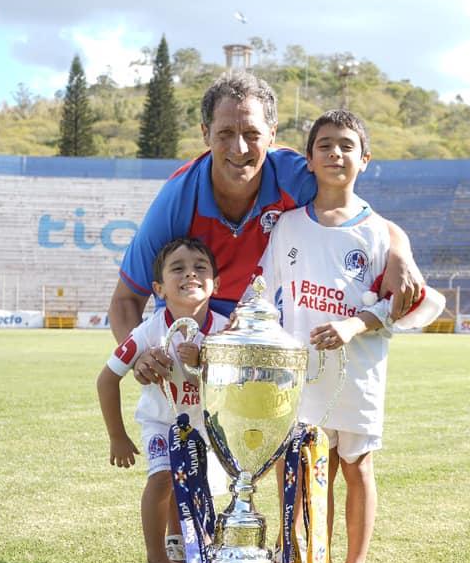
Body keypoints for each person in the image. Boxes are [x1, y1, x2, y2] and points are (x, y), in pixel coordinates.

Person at [108, 73, 423, 383]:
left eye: (252, 134)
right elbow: (126, 300)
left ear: (272, 134)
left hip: (268, 335)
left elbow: (350, 209)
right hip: (191, 344)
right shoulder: (177, 199)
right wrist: (139, 355)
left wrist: (397, 247)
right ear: (205, 133)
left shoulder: (293, 177)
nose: (240, 147)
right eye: (225, 133)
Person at [253, 109, 420, 563]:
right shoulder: (286, 227)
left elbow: (407, 305)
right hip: (301, 375)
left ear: (365, 160)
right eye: (325, 145)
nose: (336, 153)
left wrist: (356, 323)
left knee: (357, 466)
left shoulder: (382, 234)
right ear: (309, 158)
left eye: (347, 145)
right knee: (305, 468)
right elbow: (265, 294)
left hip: (360, 373)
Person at [97, 238, 227, 563]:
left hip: (204, 424)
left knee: (200, 487)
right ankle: (157, 560)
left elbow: (238, 383)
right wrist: (117, 436)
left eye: (201, 267)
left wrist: (205, 361)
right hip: (160, 421)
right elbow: (106, 379)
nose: (191, 274)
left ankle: (184, 547)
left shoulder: (226, 330)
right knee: (163, 478)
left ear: (216, 282)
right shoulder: (148, 331)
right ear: (159, 288)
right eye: (178, 268)